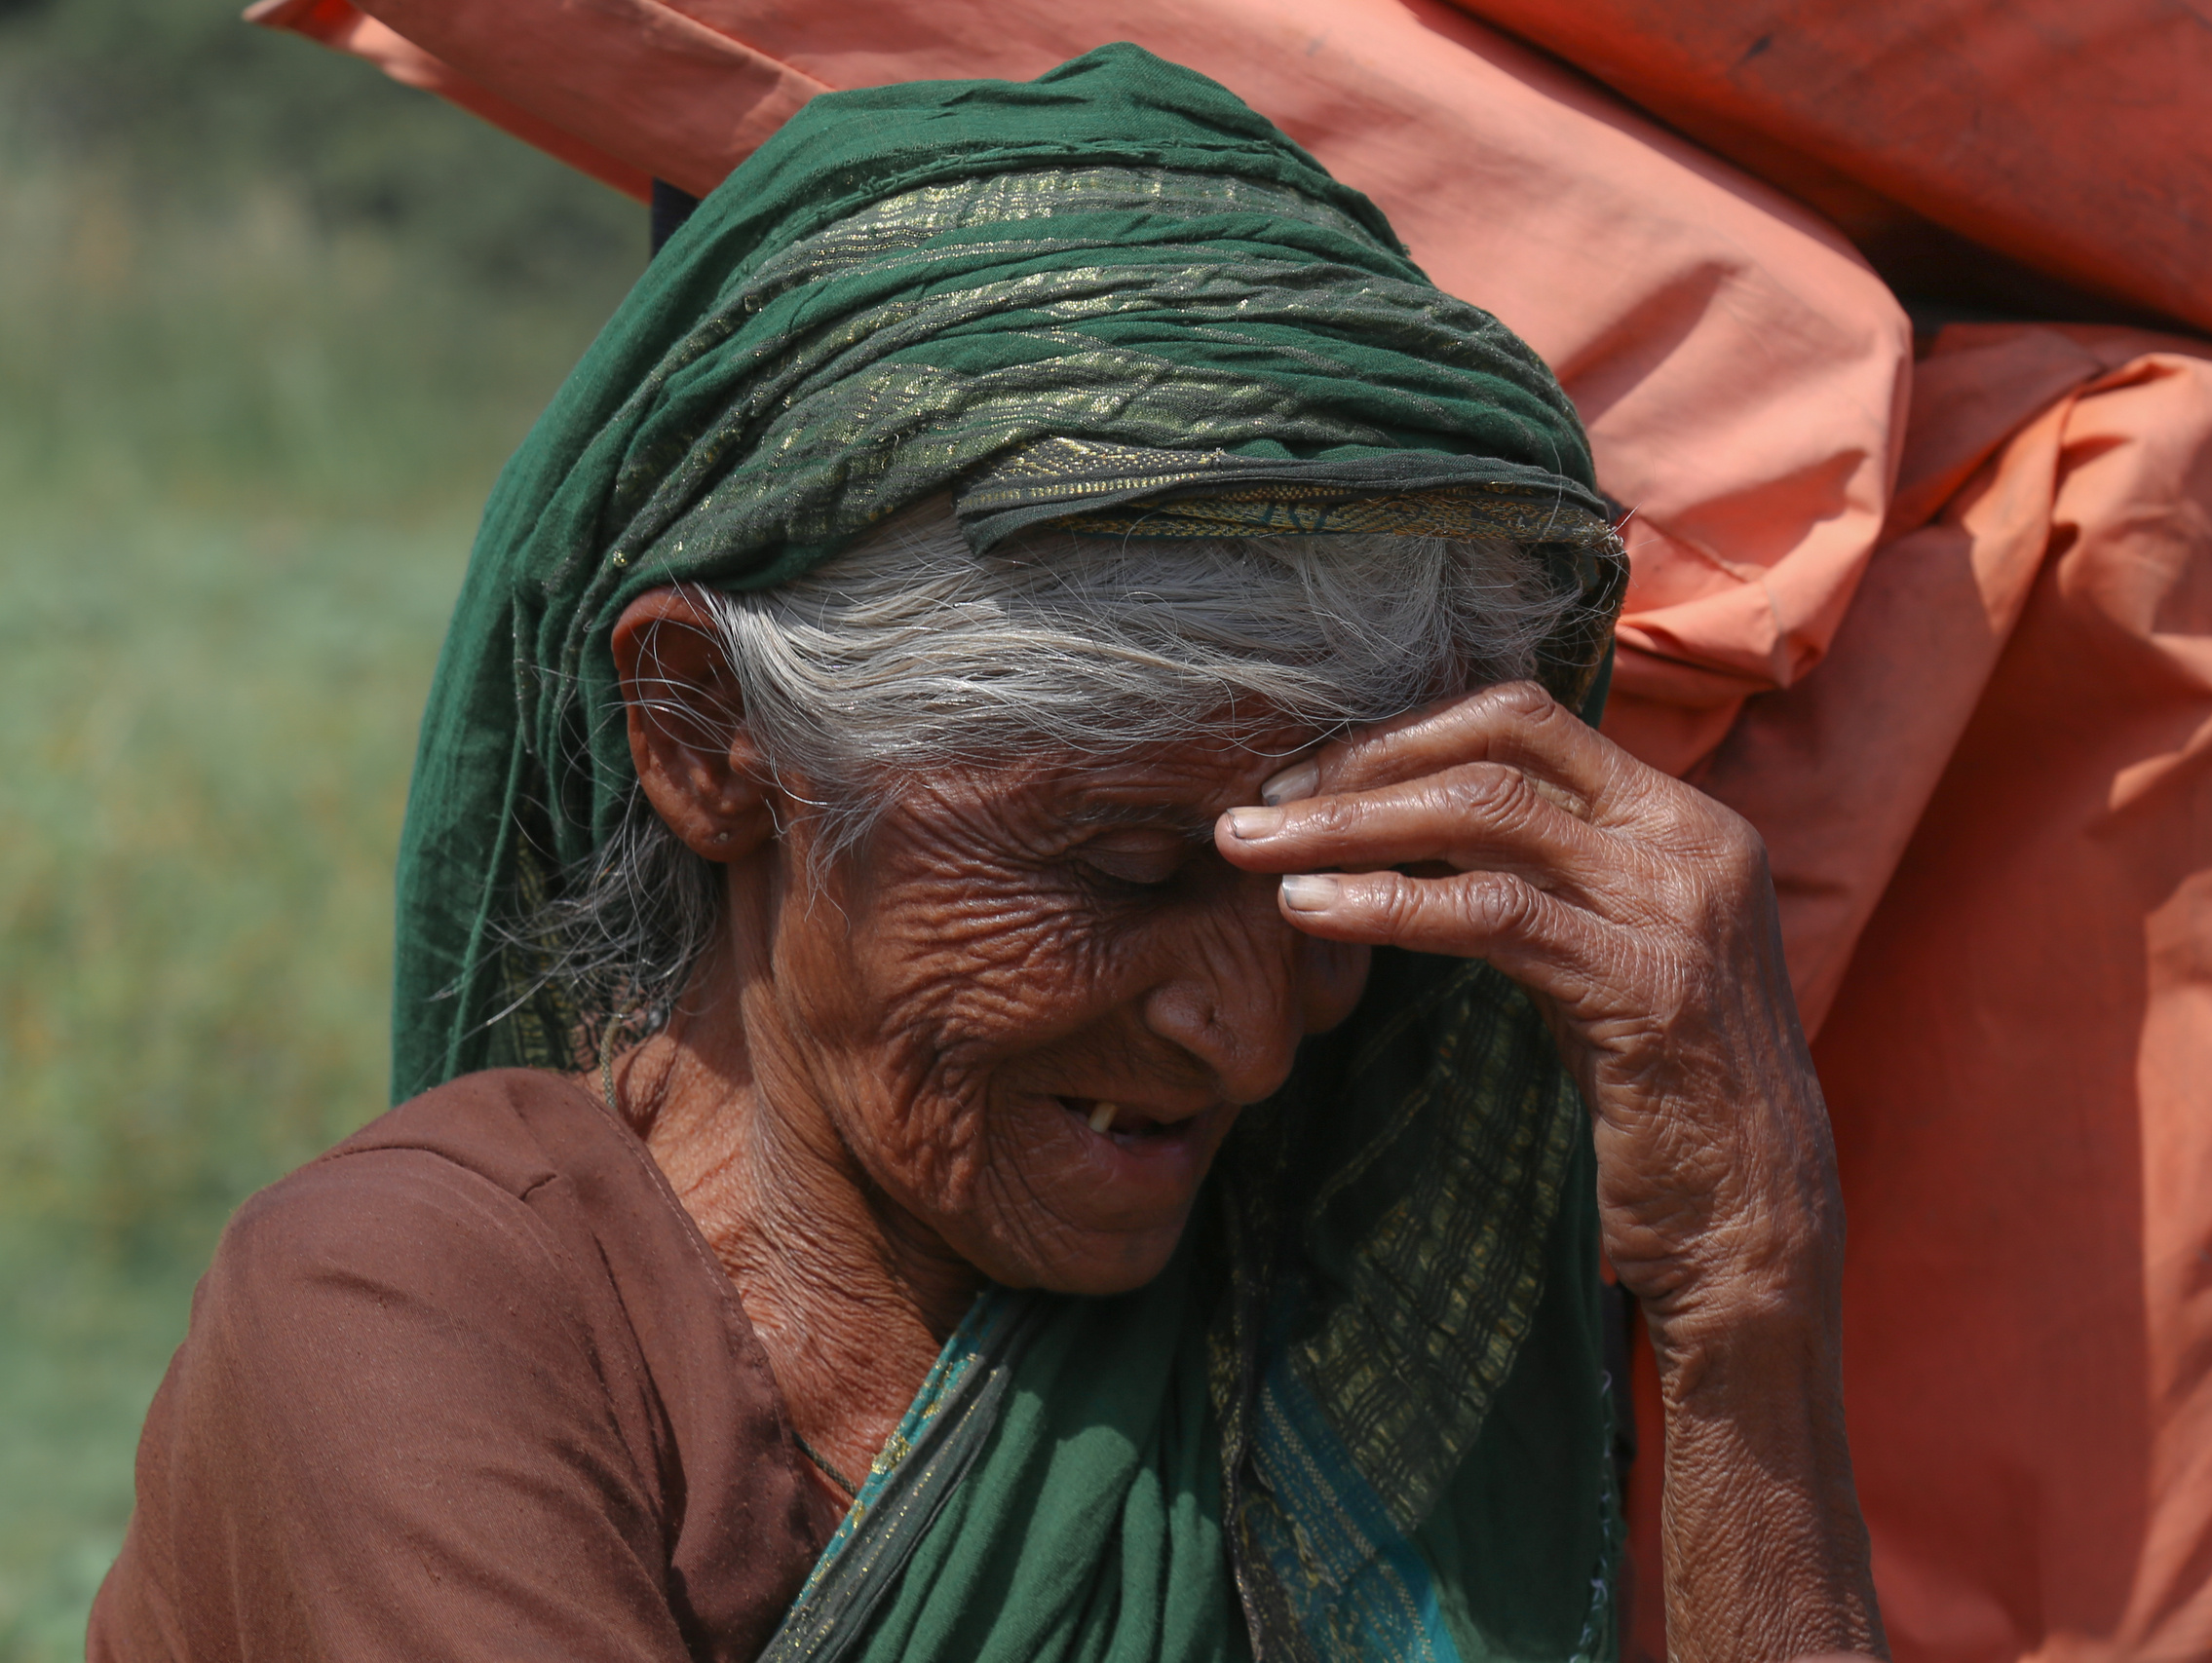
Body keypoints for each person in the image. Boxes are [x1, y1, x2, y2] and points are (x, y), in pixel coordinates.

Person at [92, 46, 1887, 1663]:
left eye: (1333, 891)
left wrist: (1747, 1303)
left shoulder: (1325, 1314)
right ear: (706, 741)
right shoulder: (418, 1319)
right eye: (1117, 864)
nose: (1253, 1041)